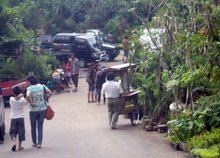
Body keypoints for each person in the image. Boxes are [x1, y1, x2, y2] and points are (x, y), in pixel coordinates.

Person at [26, 76, 53, 149]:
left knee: (33, 127)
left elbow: (27, 95)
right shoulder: (42, 86)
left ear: (30, 82)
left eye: (28, 82)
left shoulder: (29, 88)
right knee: (40, 127)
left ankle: (34, 143)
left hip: (33, 110)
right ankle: (39, 143)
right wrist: (45, 99)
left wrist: (30, 102)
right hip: (42, 109)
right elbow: (50, 93)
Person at [9, 86, 27, 151]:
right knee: (21, 131)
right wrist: (22, 95)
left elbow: (15, 97)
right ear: (20, 92)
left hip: (13, 117)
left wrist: (18, 95)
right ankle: (19, 146)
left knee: (13, 131)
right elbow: (25, 100)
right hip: (20, 117)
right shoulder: (22, 100)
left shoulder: (11, 99)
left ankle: (14, 143)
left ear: (13, 93)